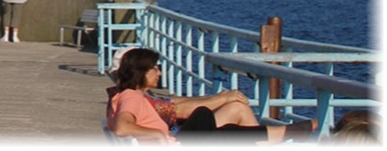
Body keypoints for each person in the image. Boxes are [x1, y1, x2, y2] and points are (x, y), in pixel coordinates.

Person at [107, 47, 316, 143]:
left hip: (176, 141)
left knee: (205, 116)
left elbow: (172, 104)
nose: (160, 73)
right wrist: (159, 135)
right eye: (155, 68)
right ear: (141, 72)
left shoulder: (132, 95)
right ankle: (287, 132)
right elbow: (122, 127)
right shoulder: (131, 96)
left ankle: (283, 134)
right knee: (226, 133)